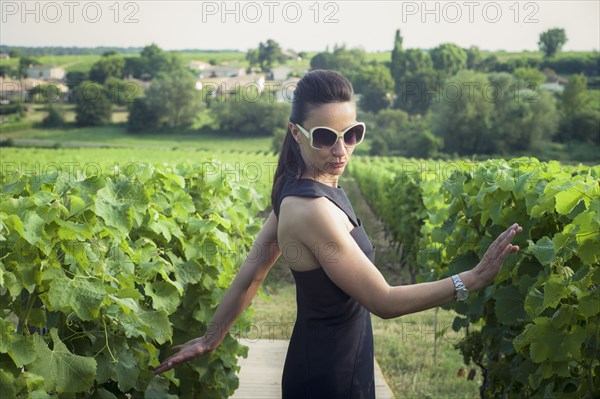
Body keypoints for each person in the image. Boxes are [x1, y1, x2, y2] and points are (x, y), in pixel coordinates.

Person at [154, 70, 522, 398]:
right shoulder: (310, 209)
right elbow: (384, 301)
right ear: (295, 133)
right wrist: (470, 280)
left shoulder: (295, 188)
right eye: (326, 136)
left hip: (333, 361)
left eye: (352, 134)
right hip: (331, 376)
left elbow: (255, 268)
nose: (341, 149)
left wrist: (212, 336)